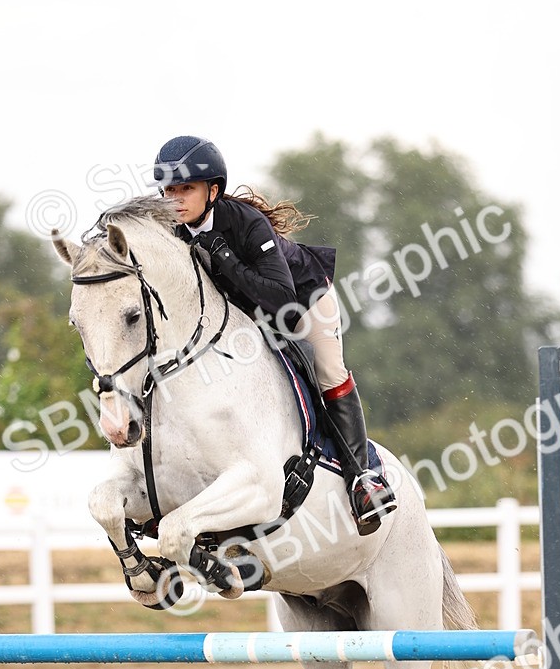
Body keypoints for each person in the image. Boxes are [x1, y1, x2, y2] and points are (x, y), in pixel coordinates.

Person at [153, 135, 396, 534]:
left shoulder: (246, 223)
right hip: (247, 317)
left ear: (212, 191)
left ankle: (364, 478)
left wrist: (226, 258)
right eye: (169, 191)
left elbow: (280, 297)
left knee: (327, 370)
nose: (175, 200)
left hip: (302, 301)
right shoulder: (171, 232)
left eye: (186, 189)